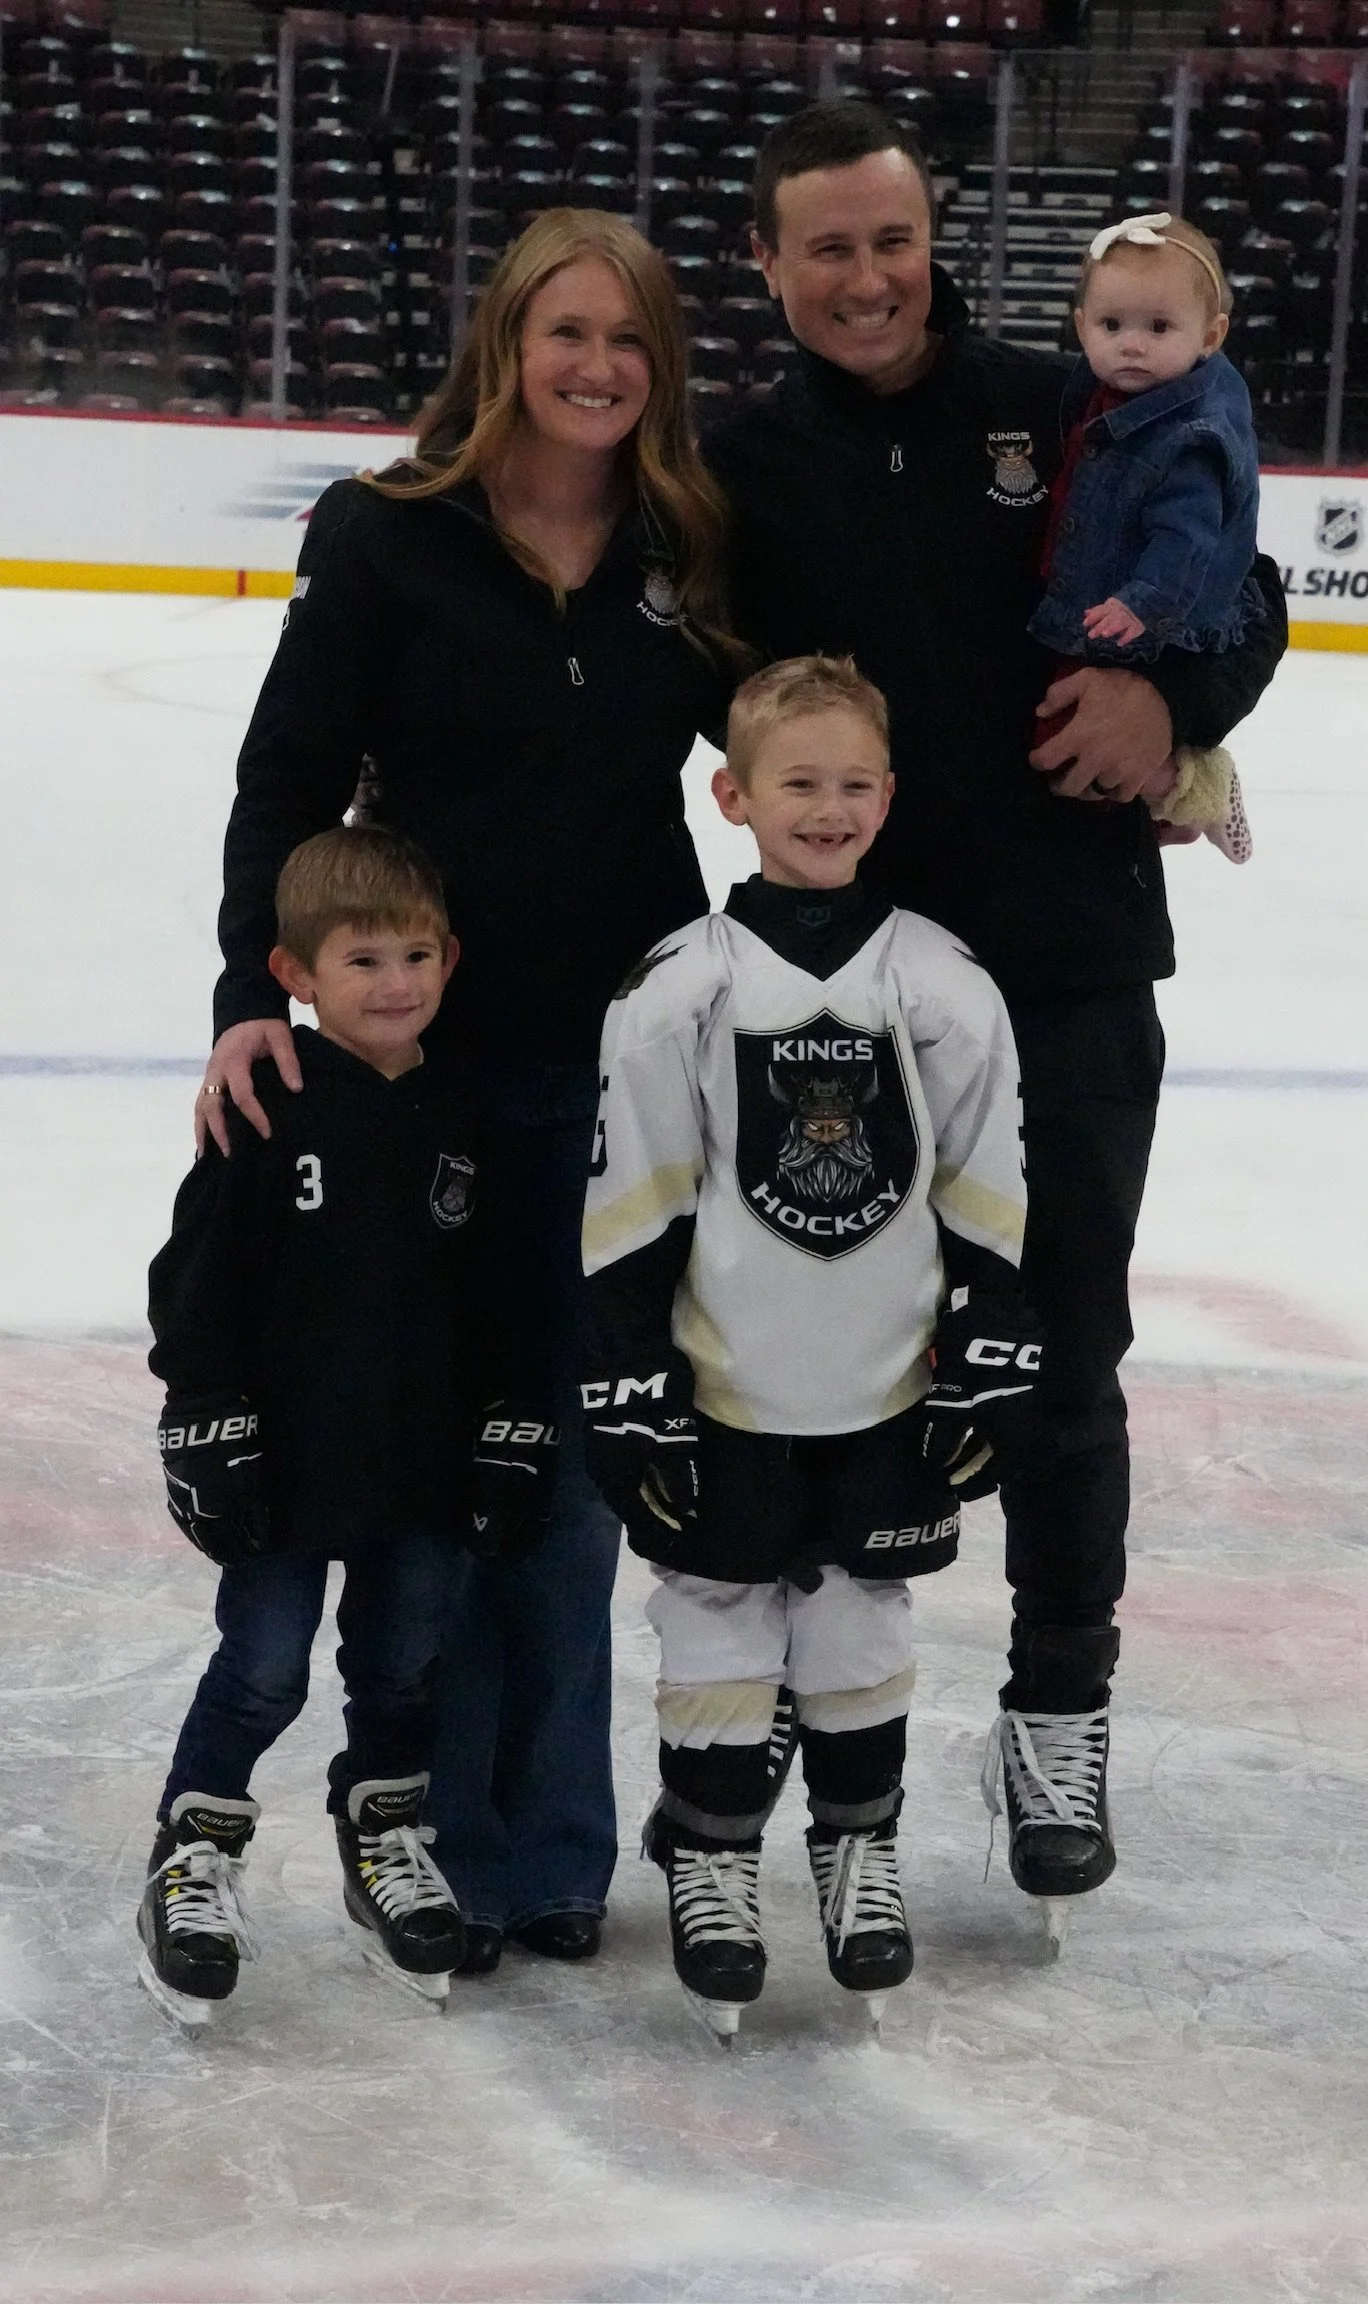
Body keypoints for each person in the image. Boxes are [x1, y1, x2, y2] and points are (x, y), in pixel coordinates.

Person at [704, 103, 1289, 1930]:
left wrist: (1177, 709)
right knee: (806, 1351)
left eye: (893, 239)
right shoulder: (735, 463)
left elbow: (1245, 586)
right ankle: (813, 1692)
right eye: (828, 248)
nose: (868, 277)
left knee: (1061, 1346)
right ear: (769, 265)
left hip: (1065, 969)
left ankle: (1055, 1704)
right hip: (836, 991)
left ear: (929, 235)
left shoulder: (1067, 401)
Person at [191, 210, 737, 1975]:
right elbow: (283, 782)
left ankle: (542, 1852)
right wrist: (246, 996)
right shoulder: (386, 538)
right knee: (445, 1465)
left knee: (567, 1477)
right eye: (564, 333)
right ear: (500, 344)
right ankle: (422, 1821)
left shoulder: (686, 545)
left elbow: (815, 717)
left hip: (624, 1073)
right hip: (422, 1075)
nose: (595, 368)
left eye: (629, 341)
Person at [580, 656, 1037, 2039]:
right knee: (713, 1615)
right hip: (728, 1387)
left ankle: (857, 1850)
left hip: (884, 1389)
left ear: (889, 798)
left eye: (852, 785)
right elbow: (633, 1196)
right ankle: (715, 1865)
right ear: (733, 794)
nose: (827, 808)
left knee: (858, 1619)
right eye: (799, 783)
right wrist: (630, 1377)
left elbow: (987, 1183)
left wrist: (993, 1344)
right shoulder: (677, 990)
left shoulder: (945, 983)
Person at [139, 828, 557, 2027]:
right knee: (263, 1668)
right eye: (362, 959)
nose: (395, 983)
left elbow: (511, 1302)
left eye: (415, 955)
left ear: (452, 957)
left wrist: (513, 1424)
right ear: (294, 974)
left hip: (422, 1470)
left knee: (401, 1667)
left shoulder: (469, 1121)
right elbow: (196, 1281)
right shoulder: (265, 1108)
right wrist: (204, 1416)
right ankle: (195, 1854)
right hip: (285, 1467)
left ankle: (382, 1841)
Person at [1030, 210, 1257, 865]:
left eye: (1159, 328)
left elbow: (1186, 538)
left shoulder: (1189, 440)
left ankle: (1196, 786)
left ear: (1210, 335)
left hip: (1135, 620)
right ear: (1081, 328)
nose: (1132, 345)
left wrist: (1143, 602)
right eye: (1111, 326)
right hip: (1105, 610)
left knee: (1068, 740)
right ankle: (1167, 800)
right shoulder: (1099, 396)